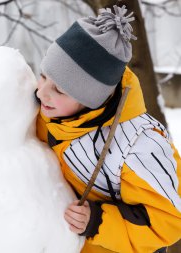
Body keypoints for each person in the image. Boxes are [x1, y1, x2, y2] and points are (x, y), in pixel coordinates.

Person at [35, 5, 181, 253]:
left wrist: (98, 221)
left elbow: (168, 221)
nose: (42, 92)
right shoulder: (50, 108)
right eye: (43, 76)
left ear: (91, 98)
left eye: (60, 89)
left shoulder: (137, 148)